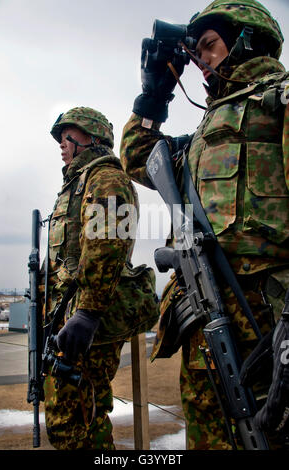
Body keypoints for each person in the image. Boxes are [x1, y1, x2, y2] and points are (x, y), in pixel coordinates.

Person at [120, 0, 289, 450]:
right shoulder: (198, 139)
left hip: (267, 331)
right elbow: (139, 157)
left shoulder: (278, 100)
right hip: (206, 334)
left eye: (209, 46)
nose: (201, 62)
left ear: (246, 40)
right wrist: (154, 94)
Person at [40, 106, 158, 450]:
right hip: (69, 315)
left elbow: (107, 244)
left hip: (87, 320)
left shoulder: (106, 178)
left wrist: (88, 313)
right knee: (68, 420)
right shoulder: (78, 182)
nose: (61, 144)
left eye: (67, 136)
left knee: (79, 423)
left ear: (89, 137)